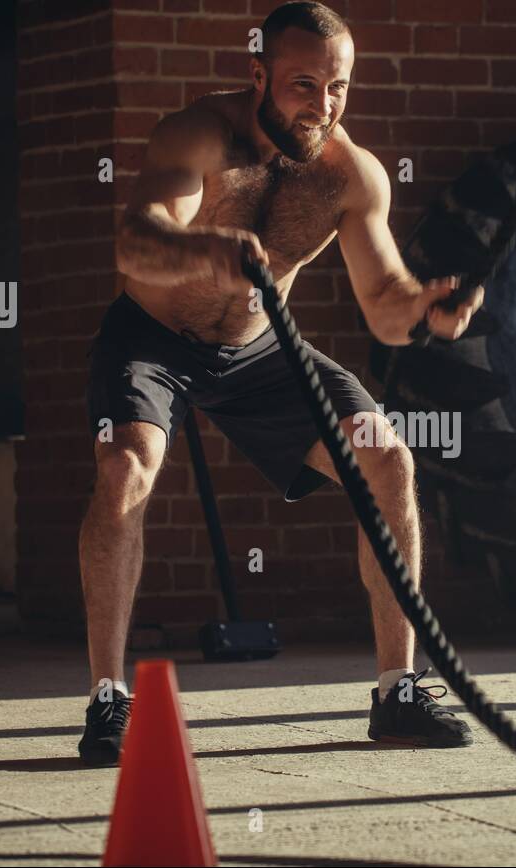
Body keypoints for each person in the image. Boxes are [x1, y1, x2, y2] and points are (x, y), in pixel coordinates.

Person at [78, 1, 485, 765]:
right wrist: (205, 251)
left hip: (262, 352)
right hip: (152, 340)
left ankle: (397, 693)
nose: (322, 105)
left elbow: (386, 308)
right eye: (304, 84)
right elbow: (134, 245)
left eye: (338, 88)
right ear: (258, 73)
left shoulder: (349, 176)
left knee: (387, 457)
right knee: (123, 468)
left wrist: (429, 311)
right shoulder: (200, 135)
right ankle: (108, 702)